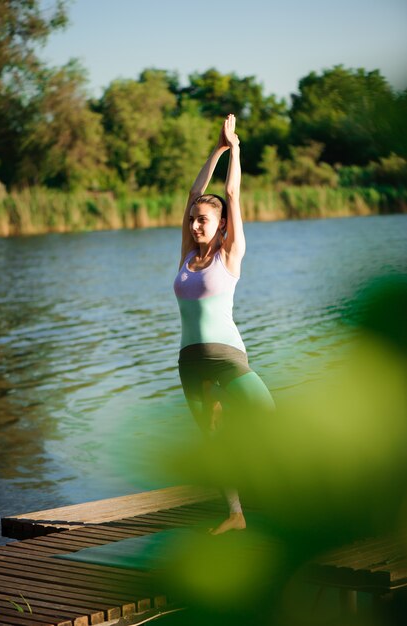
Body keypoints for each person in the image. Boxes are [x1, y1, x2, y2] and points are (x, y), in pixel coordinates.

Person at [173, 114, 275, 535]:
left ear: (222, 226)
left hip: (227, 358)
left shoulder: (229, 255)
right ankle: (235, 513)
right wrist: (214, 148)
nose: (196, 224)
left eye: (204, 220)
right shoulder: (186, 254)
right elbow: (195, 192)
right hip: (190, 361)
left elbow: (230, 191)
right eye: (194, 219)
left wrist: (235, 149)